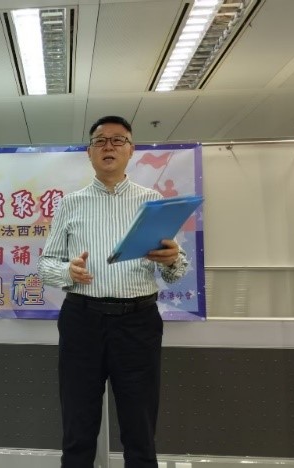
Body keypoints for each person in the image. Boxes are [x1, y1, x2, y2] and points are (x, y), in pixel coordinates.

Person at [37, 115, 188, 468]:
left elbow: (176, 271)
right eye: (100, 141)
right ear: (89, 152)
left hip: (138, 324)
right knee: (78, 425)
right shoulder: (70, 203)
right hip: (82, 321)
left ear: (131, 150)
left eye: (118, 140)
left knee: (140, 427)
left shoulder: (153, 202)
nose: (109, 146)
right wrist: (67, 271)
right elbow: (46, 265)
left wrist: (171, 258)